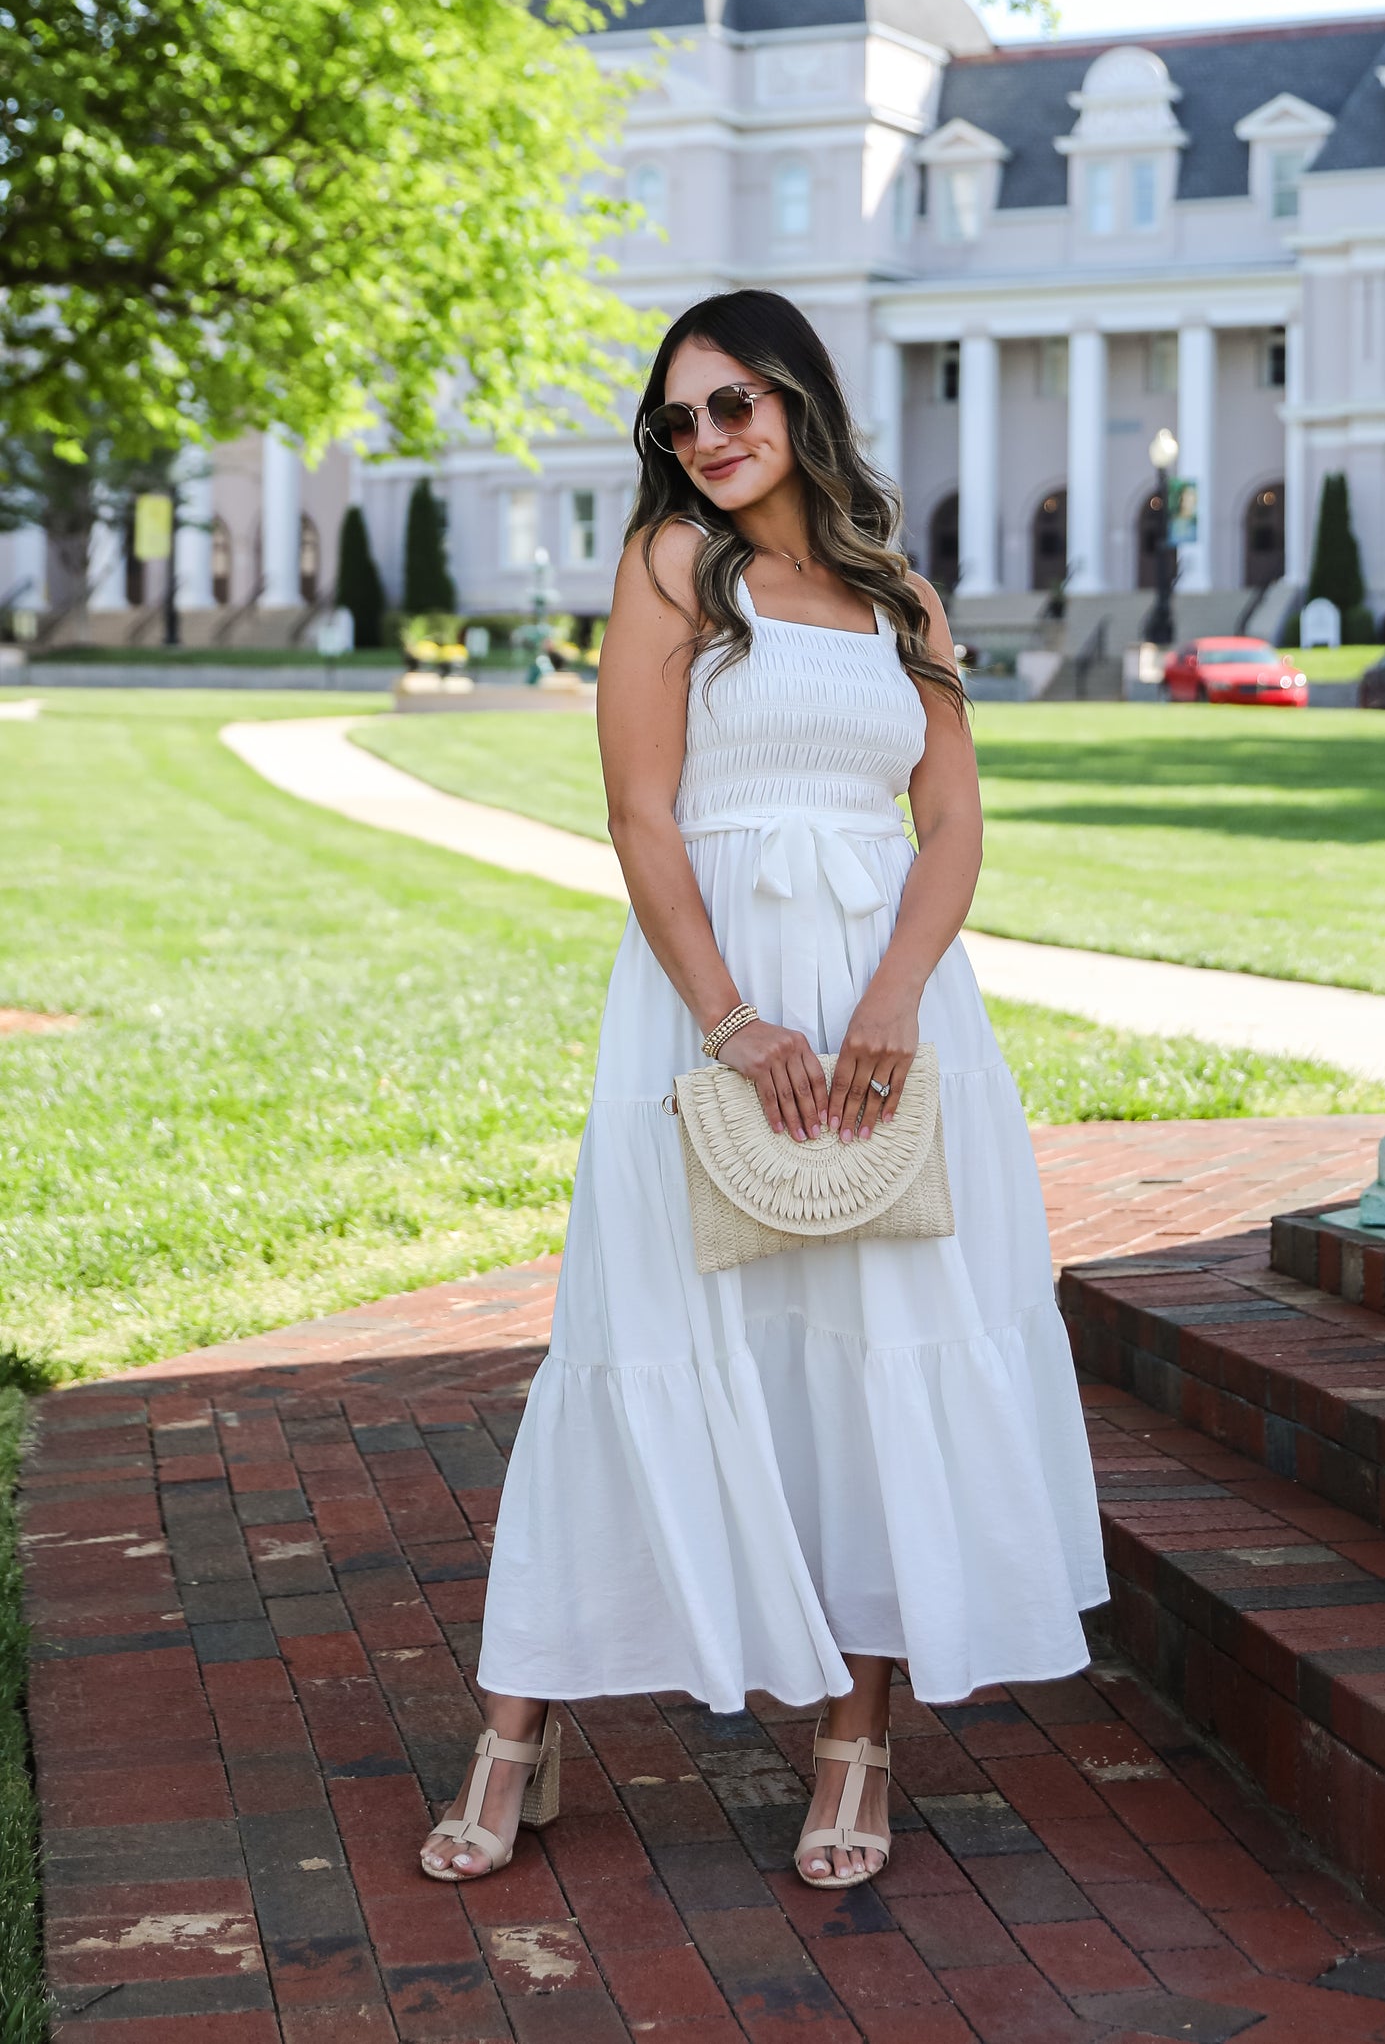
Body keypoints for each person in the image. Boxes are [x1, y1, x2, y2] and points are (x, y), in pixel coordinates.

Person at [420, 288, 1106, 1890]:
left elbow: (953, 821)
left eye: (733, 402)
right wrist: (730, 1020)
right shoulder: (671, 566)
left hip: (887, 1015)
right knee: (638, 1332)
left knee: (876, 1352)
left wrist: (894, 993)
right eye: (679, 418)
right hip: (703, 1007)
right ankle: (518, 1728)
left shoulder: (899, 597)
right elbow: (641, 817)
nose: (707, 437)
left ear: (798, 398)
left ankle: (858, 1738)